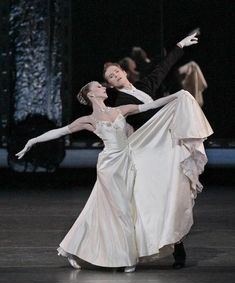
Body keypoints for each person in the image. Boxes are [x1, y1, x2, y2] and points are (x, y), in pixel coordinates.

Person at [16, 81, 213, 272]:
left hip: (128, 161)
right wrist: (32, 141)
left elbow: (151, 105)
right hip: (109, 166)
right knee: (122, 211)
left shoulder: (120, 110)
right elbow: (59, 131)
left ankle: (71, 249)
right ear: (91, 95)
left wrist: (176, 96)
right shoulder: (88, 120)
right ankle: (127, 259)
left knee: (111, 208)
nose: (104, 88)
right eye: (99, 86)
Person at [103, 33, 198, 268]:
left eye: (116, 72)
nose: (115, 76)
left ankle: (178, 247)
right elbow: (122, 128)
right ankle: (131, 250)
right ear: (111, 84)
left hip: (164, 147)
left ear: (124, 72)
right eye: (110, 77)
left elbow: (162, 68)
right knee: (152, 200)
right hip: (147, 152)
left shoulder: (144, 86)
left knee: (172, 196)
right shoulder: (119, 101)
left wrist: (179, 46)